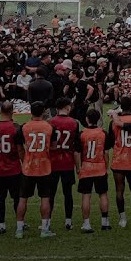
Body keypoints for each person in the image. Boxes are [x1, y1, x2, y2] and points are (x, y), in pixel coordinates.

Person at [15, 101, 56, 238]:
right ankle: (44, 229)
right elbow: (54, 147)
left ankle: (19, 229)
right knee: (45, 197)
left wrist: (24, 159)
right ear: (44, 111)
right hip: (44, 167)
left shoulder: (24, 127)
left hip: (28, 167)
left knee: (22, 198)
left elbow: (20, 148)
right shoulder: (49, 127)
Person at [76, 108, 113, 232]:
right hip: (100, 167)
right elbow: (106, 153)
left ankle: (86, 224)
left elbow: (77, 153)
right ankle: (105, 223)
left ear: (86, 119)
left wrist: (78, 167)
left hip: (86, 167)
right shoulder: (103, 133)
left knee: (86, 196)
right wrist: (106, 168)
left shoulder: (82, 134)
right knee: (103, 194)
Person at [0, 101, 22, 234]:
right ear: (12, 112)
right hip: (14, 168)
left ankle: (1, 224)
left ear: (0, 111)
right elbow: (19, 149)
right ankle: (20, 222)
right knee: (17, 197)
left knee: (0, 198)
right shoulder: (16, 127)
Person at [48, 98, 80, 230]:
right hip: (67, 161)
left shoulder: (50, 122)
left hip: (53, 162)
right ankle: (68, 221)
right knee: (68, 193)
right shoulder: (74, 123)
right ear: (67, 107)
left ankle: (47, 221)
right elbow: (77, 145)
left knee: (50, 194)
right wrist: (78, 166)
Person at [109, 97, 131, 227]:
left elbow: (111, 141)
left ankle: (122, 219)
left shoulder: (114, 122)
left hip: (119, 159)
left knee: (119, 190)